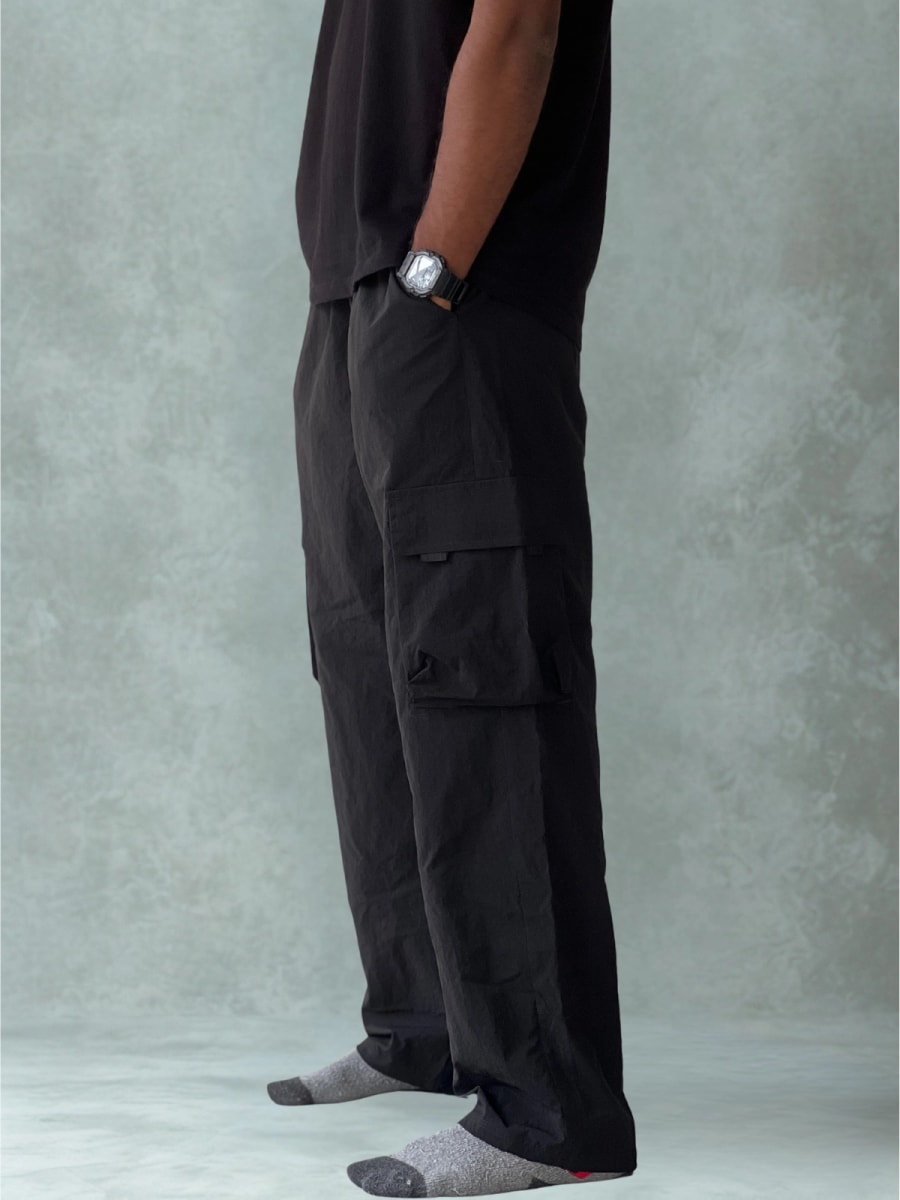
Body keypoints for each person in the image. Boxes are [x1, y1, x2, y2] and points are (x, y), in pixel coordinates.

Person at [268, 1, 638, 1194]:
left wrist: (435, 268)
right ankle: (423, 1025)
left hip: (458, 294)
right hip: (357, 290)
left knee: (484, 670)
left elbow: (520, 25)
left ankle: (546, 1110)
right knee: (369, 662)